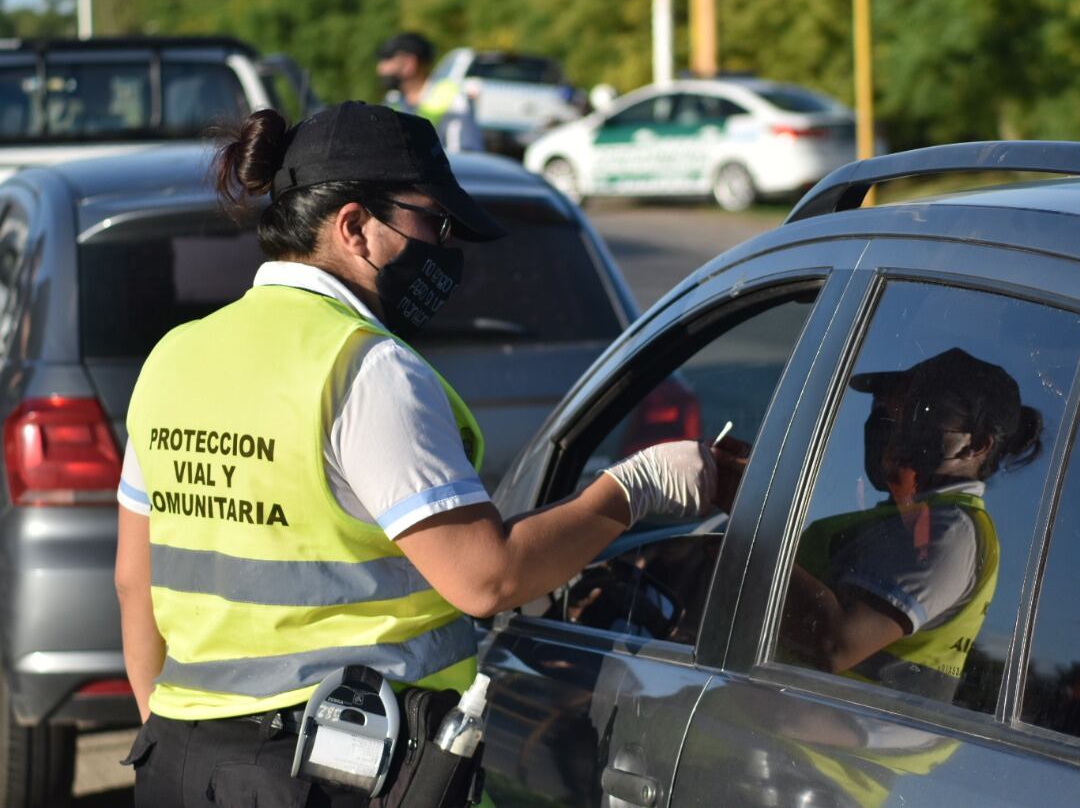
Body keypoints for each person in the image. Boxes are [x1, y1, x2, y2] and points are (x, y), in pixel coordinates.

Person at [114, 101, 724, 806]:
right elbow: (488, 579)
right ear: (354, 227)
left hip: (182, 764)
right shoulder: (364, 369)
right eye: (431, 222)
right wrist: (634, 488)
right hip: (326, 774)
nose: (444, 246)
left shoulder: (174, 359)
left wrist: (182, 747)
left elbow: (136, 581)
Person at [783, 347, 1043, 702]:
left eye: (925, 413)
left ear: (977, 446)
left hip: (828, 742)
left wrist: (748, 542)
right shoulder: (907, 515)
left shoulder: (949, 529)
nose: (899, 426)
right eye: (902, 411)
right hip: (800, 719)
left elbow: (836, 645)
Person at [377, 31, 482, 152]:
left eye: (387, 60)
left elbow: (464, 156)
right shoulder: (392, 99)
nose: (380, 69)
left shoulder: (452, 97)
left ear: (409, 63)